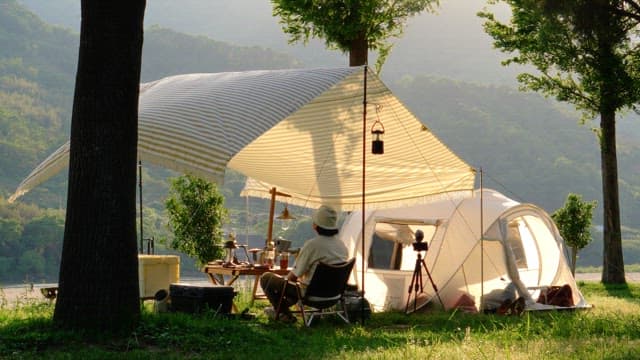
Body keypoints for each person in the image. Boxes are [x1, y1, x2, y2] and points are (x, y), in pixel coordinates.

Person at [260, 204, 348, 323]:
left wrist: (283, 286)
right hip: (334, 296)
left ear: (315, 226)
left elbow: (293, 276)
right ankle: (280, 310)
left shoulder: (312, 245)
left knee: (266, 278)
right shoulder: (342, 246)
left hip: (311, 295)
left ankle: (282, 313)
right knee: (295, 288)